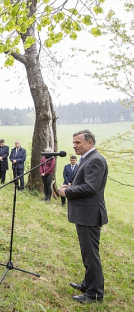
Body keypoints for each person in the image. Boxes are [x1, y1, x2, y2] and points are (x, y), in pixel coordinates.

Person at [59, 129, 108, 304]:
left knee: (91, 255)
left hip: (90, 215)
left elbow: (90, 188)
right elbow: (85, 183)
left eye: (78, 143)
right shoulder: (87, 158)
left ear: (90, 142)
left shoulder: (95, 160)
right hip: (85, 214)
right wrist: (72, 185)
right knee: (87, 253)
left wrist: (67, 191)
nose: (74, 146)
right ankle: (88, 284)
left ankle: (94, 295)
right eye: (74, 143)